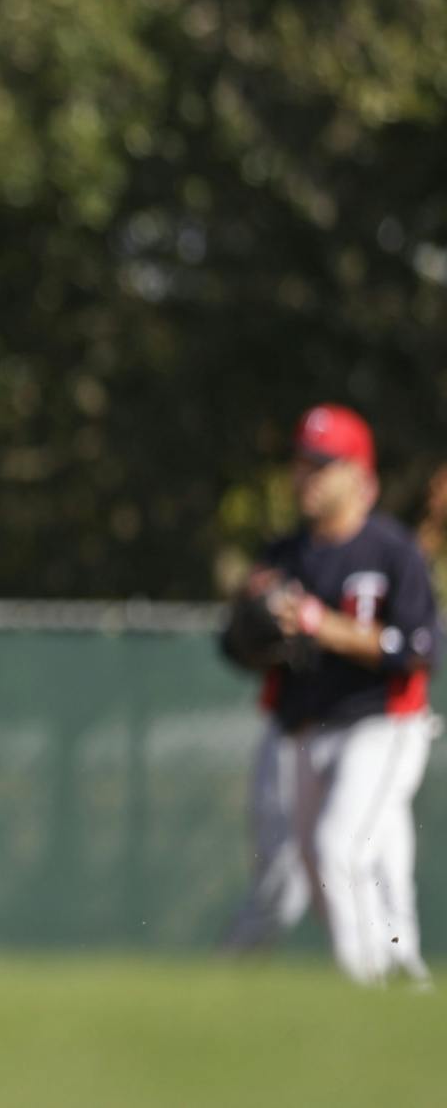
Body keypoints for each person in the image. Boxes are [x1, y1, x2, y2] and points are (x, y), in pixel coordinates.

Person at [217, 403, 438, 986]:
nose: (304, 476)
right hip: (302, 730)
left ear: (357, 473)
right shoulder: (284, 555)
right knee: (325, 868)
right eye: (300, 463)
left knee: (342, 849)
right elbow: (236, 649)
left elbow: (417, 647)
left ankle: (374, 985)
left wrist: (321, 624)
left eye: (321, 464)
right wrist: (257, 623)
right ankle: (398, 975)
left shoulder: (392, 552)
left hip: (381, 726)